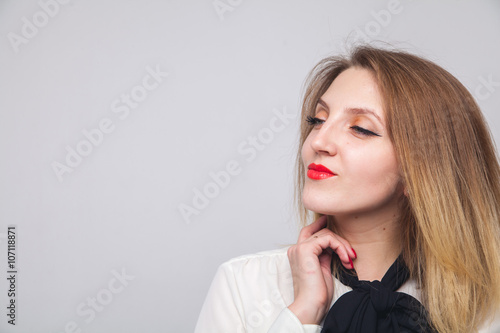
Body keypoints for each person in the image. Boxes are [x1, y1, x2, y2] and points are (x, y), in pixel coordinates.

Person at [194, 45, 500, 333]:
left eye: (361, 128)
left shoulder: (491, 304)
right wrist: (302, 315)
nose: (318, 142)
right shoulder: (242, 284)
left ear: (423, 168)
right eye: (318, 119)